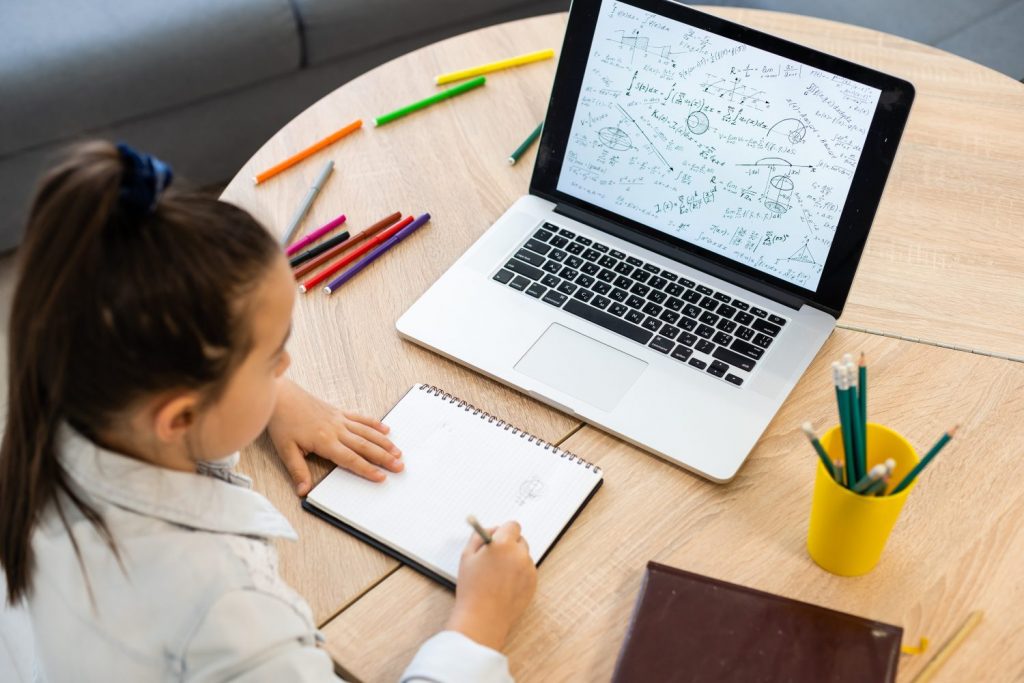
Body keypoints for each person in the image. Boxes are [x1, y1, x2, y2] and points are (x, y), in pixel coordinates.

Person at [0, 141, 537, 681]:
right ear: (180, 416)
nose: (288, 365)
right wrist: (477, 626)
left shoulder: (58, 401)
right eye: (271, 357)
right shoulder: (229, 615)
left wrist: (266, 395)